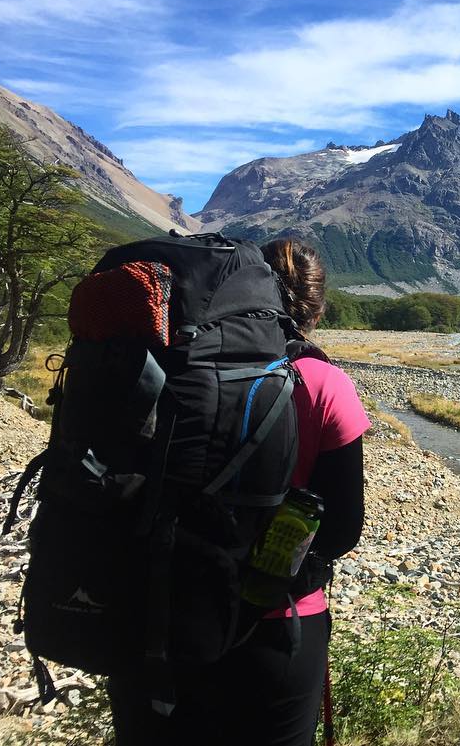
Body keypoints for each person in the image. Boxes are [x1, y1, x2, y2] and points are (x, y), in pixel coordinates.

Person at [108, 239, 369, 745]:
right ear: (316, 310)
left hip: (153, 611)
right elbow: (340, 531)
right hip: (274, 625)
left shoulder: (171, 364)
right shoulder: (325, 383)